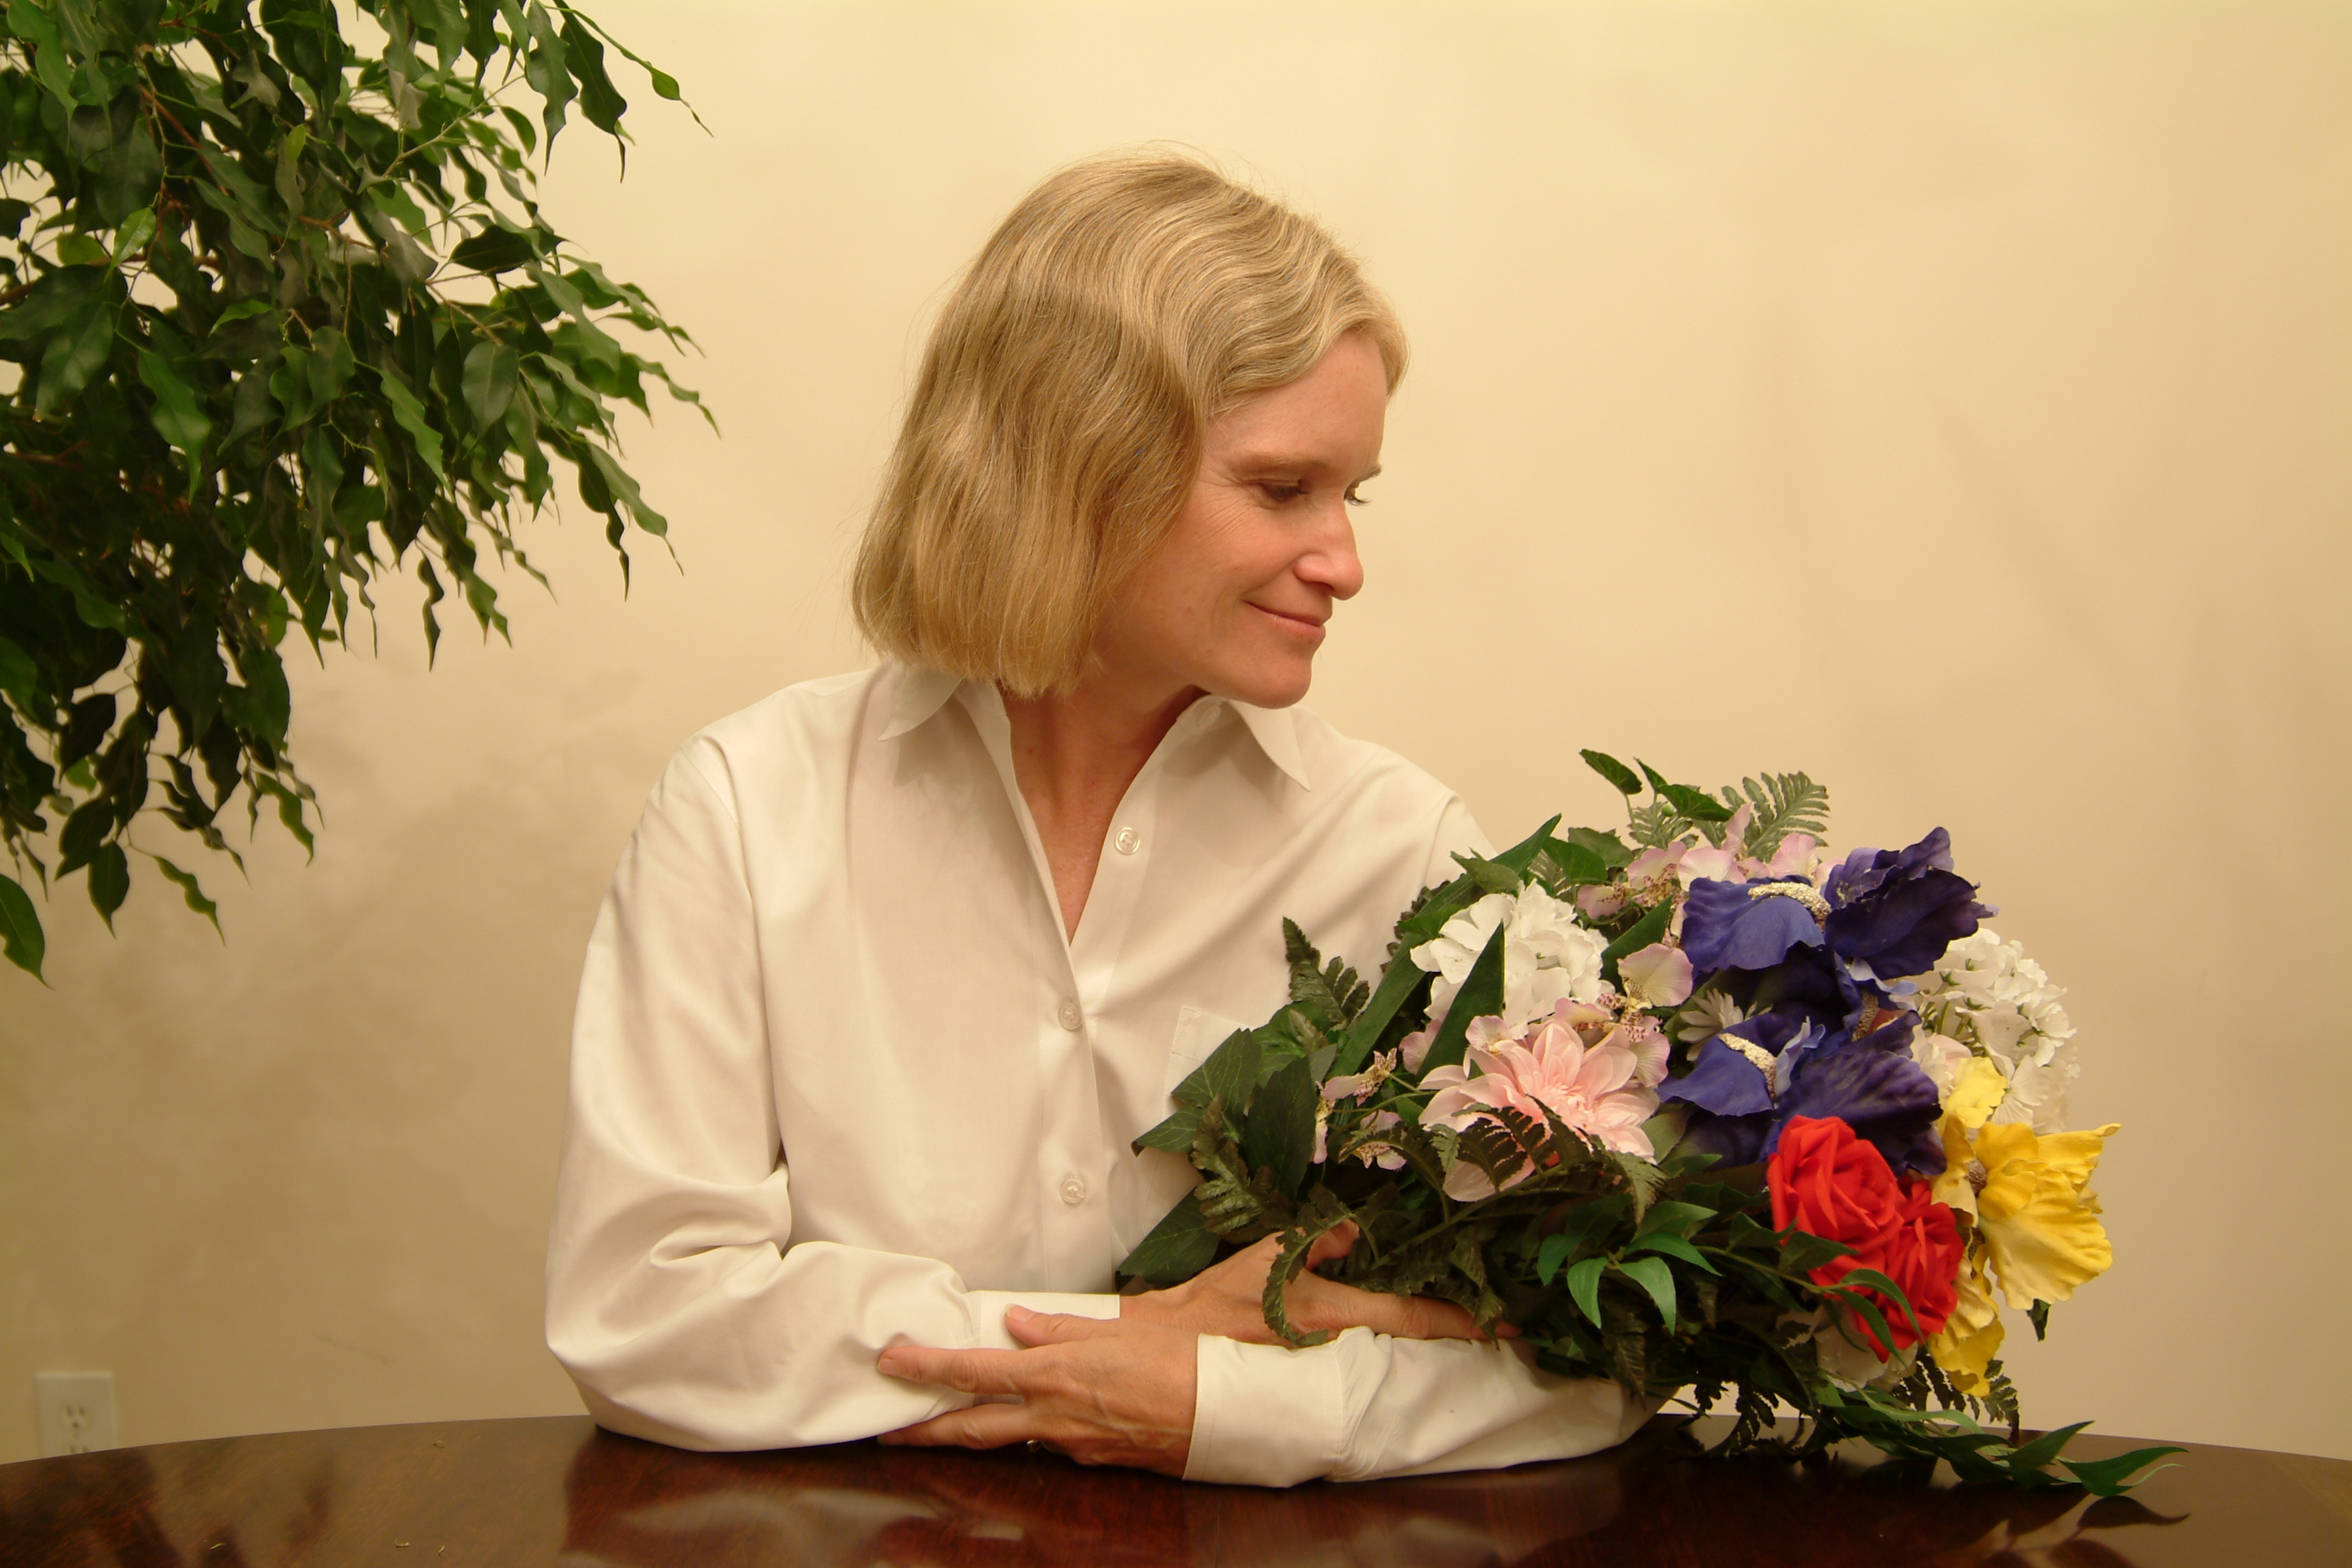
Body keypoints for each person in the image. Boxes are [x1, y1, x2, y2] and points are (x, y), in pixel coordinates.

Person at [544, 152, 1652, 1485]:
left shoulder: (1399, 852)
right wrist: (1124, 1350)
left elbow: (1585, 1362)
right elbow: (640, 1313)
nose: (1346, 563)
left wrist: (1215, 1406)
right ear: (1080, 468)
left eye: (1351, 494)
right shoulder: (749, 807)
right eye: (1283, 488)